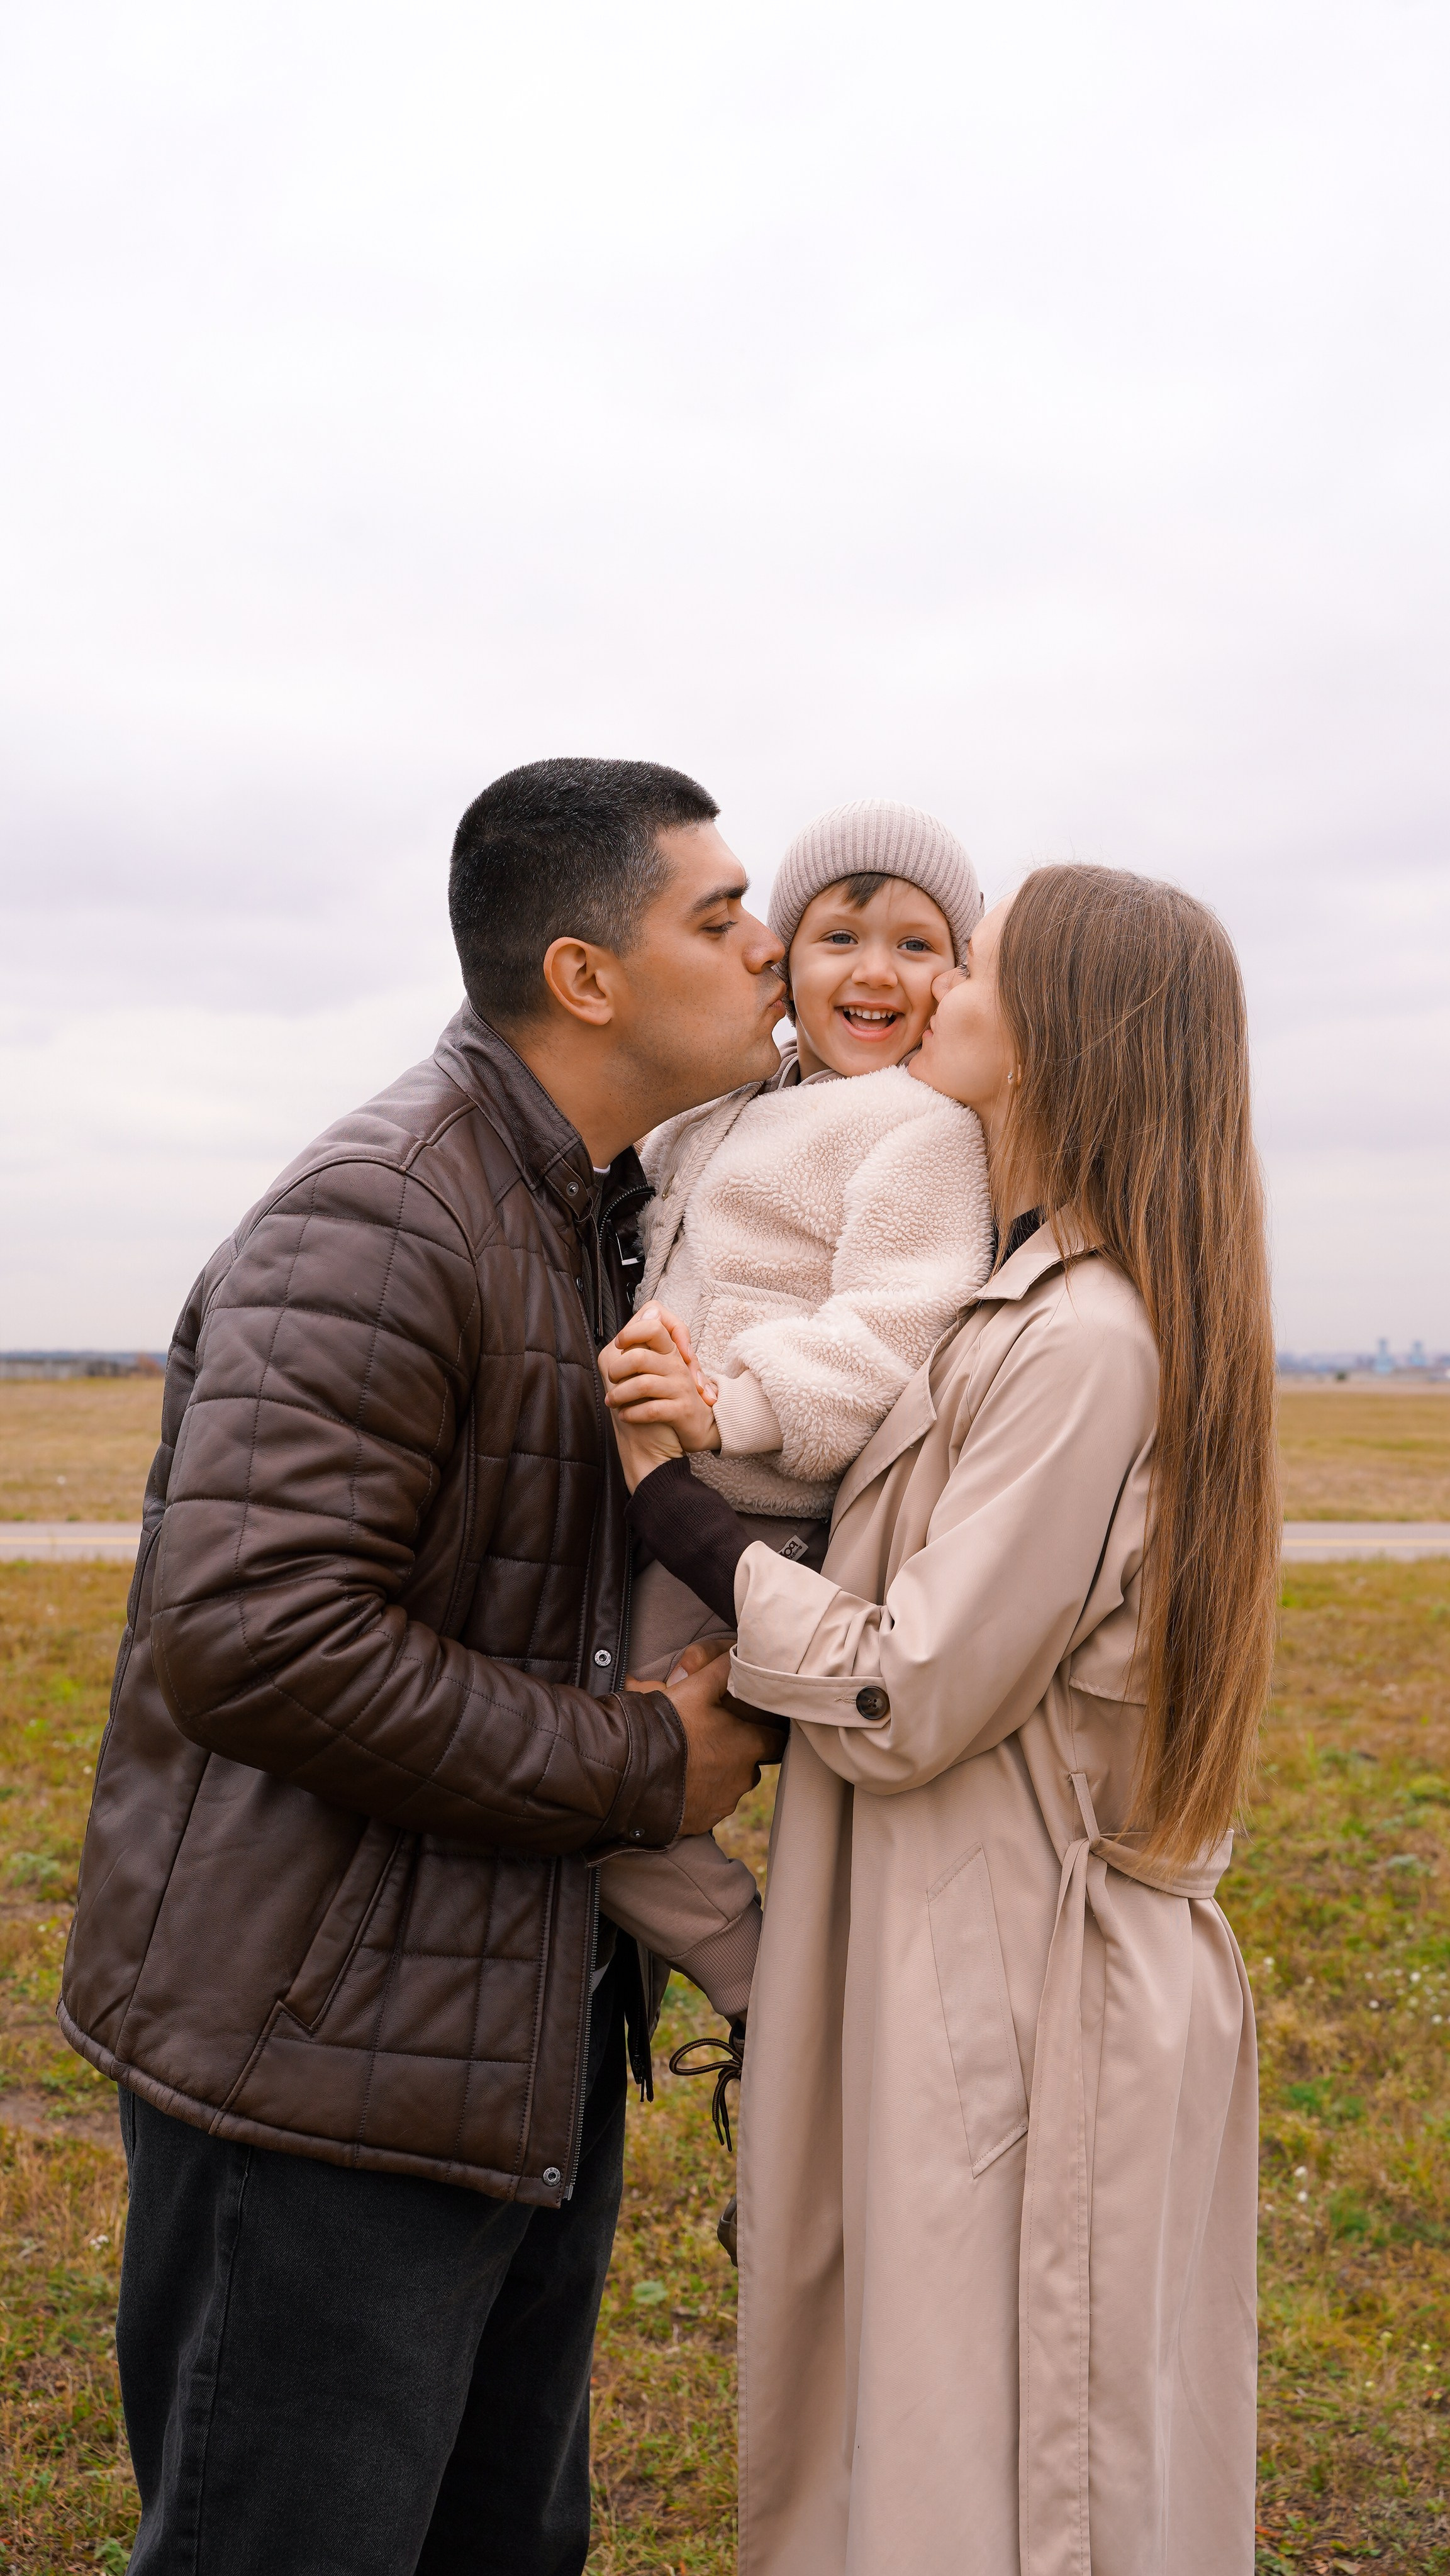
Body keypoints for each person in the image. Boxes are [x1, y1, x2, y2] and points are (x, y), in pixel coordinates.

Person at [59, 757, 788, 2576]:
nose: (769, 950)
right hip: (323, 2072)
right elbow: (258, 1637)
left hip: (497, 2037)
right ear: (587, 975)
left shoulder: (584, 1205)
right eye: (723, 914)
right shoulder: (393, 1212)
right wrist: (640, 1768)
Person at [602, 863, 1279, 2575]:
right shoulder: (1022, 1296)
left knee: (999, 2485)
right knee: (909, 2449)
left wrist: (673, 1504)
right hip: (955, 1957)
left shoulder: (1085, 1342)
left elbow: (908, 1687)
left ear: (1049, 1036)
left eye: (972, 963)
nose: (936, 983)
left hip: (1015, 2004)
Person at [594, 801, 995, 2028]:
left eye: (917, 945)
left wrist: (732, 1406)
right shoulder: (733, 1105)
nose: (874, 969)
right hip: (673, 1490)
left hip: (752, 1520)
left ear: (960, 977)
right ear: (785, 958)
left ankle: (772, 2000)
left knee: (606, 1795)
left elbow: (893, 1329)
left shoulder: (918, 1131)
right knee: (595, 1760)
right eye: (839, 934)